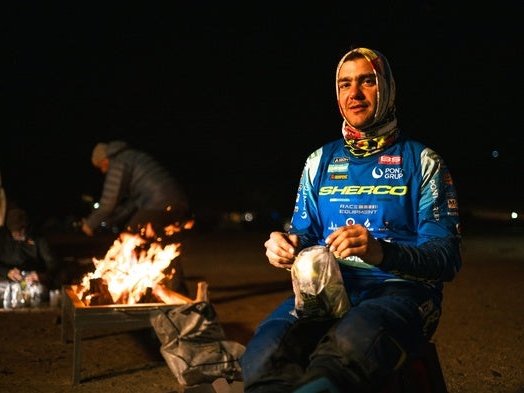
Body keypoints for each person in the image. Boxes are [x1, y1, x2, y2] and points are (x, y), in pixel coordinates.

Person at [240, 47, 462, 393]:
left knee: (348, 348)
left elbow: (446, 259)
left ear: (387, 87)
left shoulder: (423, 161)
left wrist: (382, 253)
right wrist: (286, 245)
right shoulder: (319, 160)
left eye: (367, 82)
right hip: (324, 293)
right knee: (264, 354)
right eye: (345, 84)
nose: (354, 94)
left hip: (401, 294)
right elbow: (303, 232)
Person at [81, 140, 194, 295]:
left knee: (129, 238)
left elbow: (109, 200)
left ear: (104, 160)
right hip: (176, 202)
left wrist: (90, 223)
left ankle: (123, 288)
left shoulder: (118, 162)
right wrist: (111, 220)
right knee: (164, 248)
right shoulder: (131, 157)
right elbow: (133, 205)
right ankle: (179, 293)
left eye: (101, 166)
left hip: (159, 203)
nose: (102, 171)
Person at [0, 207, 64, 307]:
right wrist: (7, 272)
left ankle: (12, 299)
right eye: (13, 230)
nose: (16, 233)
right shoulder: (0, 237)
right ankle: (3, 299)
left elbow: (53, 263)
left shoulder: (38, 238)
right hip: (6, 280)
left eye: (19, 230)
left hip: (29, 282)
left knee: (39, 291)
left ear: (26, 227)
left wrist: (41, 276)